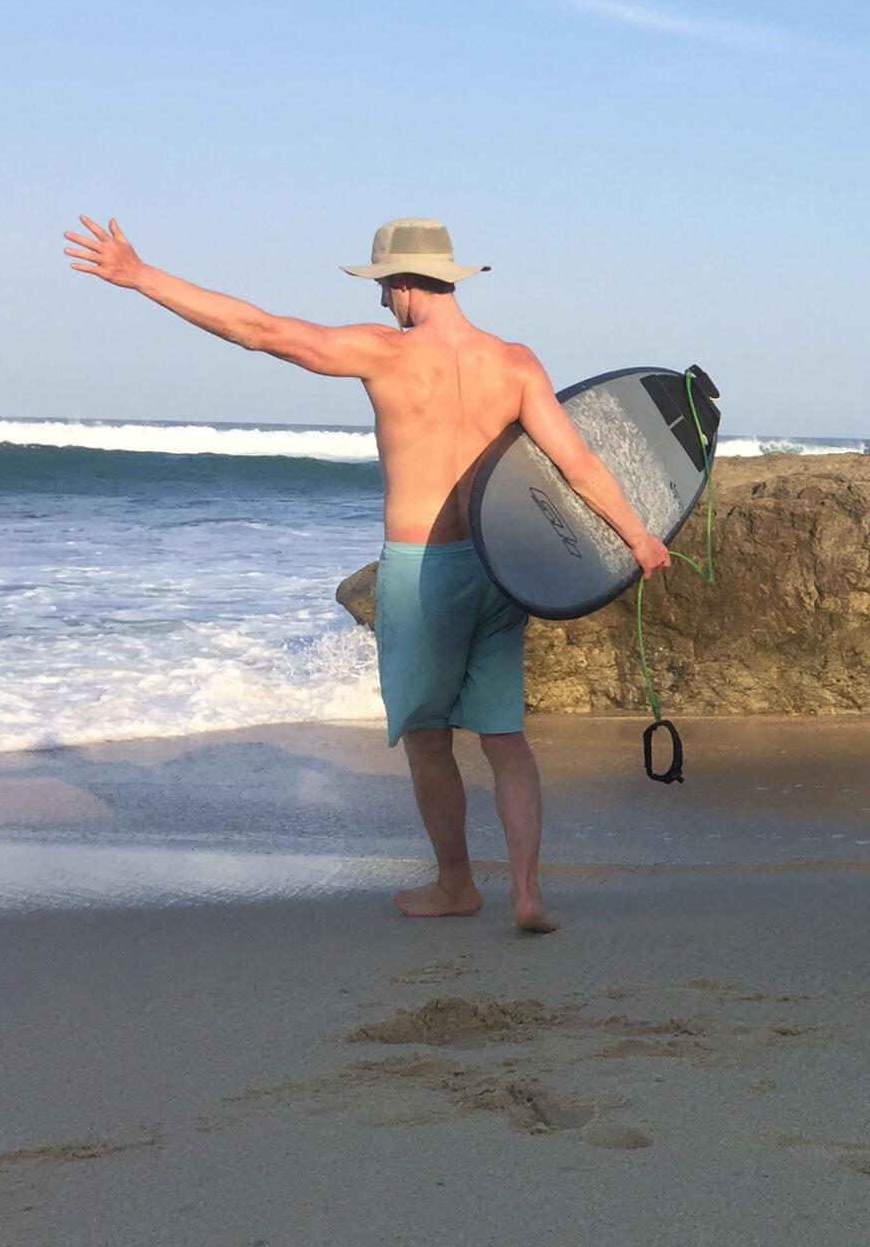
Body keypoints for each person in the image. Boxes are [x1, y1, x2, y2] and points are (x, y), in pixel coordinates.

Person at [65, 214, 672, 933]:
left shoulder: (385, 354)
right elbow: (579, 465)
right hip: (500, 569)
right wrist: (639, 537)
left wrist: (141, 276)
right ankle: (528, 890)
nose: (382, 301)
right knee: (504, 737)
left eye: (384, 286)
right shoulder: (515, 362)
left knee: (428, 738)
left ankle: (455, 885)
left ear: (407, 283)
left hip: (422, 574)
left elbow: (260, 330)